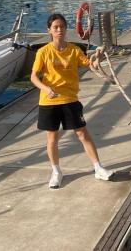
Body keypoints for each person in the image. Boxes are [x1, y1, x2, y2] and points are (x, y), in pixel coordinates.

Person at [30, 13, 115, 189]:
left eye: (61, 26)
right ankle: (56, 171)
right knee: (52, 138)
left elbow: (89, 65)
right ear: (49, 30)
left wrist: (97, 58)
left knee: (83, 134)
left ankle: (98, 168)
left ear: (65, 28)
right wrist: (46, 89)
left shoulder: (74, 50)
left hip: (70, 99)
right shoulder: (43, 52)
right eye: (55, 27)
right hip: (49, 101)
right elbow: (34, 77)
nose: (59, 30)